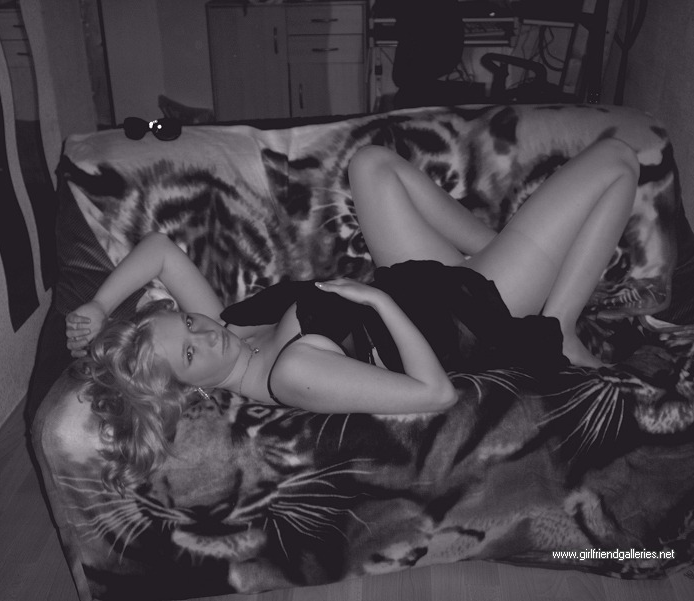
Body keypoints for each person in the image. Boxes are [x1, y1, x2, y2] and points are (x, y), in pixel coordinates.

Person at [67, 139, 638, 488]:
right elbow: (434, 394)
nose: (206, 333)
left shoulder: (228, 328)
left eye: (190, 323)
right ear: (191, 388)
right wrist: (377, 301)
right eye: (190, 352)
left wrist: (100, 304)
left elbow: (160, 251)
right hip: (474, 307)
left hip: (420, 279)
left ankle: (514, 251)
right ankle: (558, 324)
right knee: (617, 161)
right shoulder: (290, 374)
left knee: (371, 164)